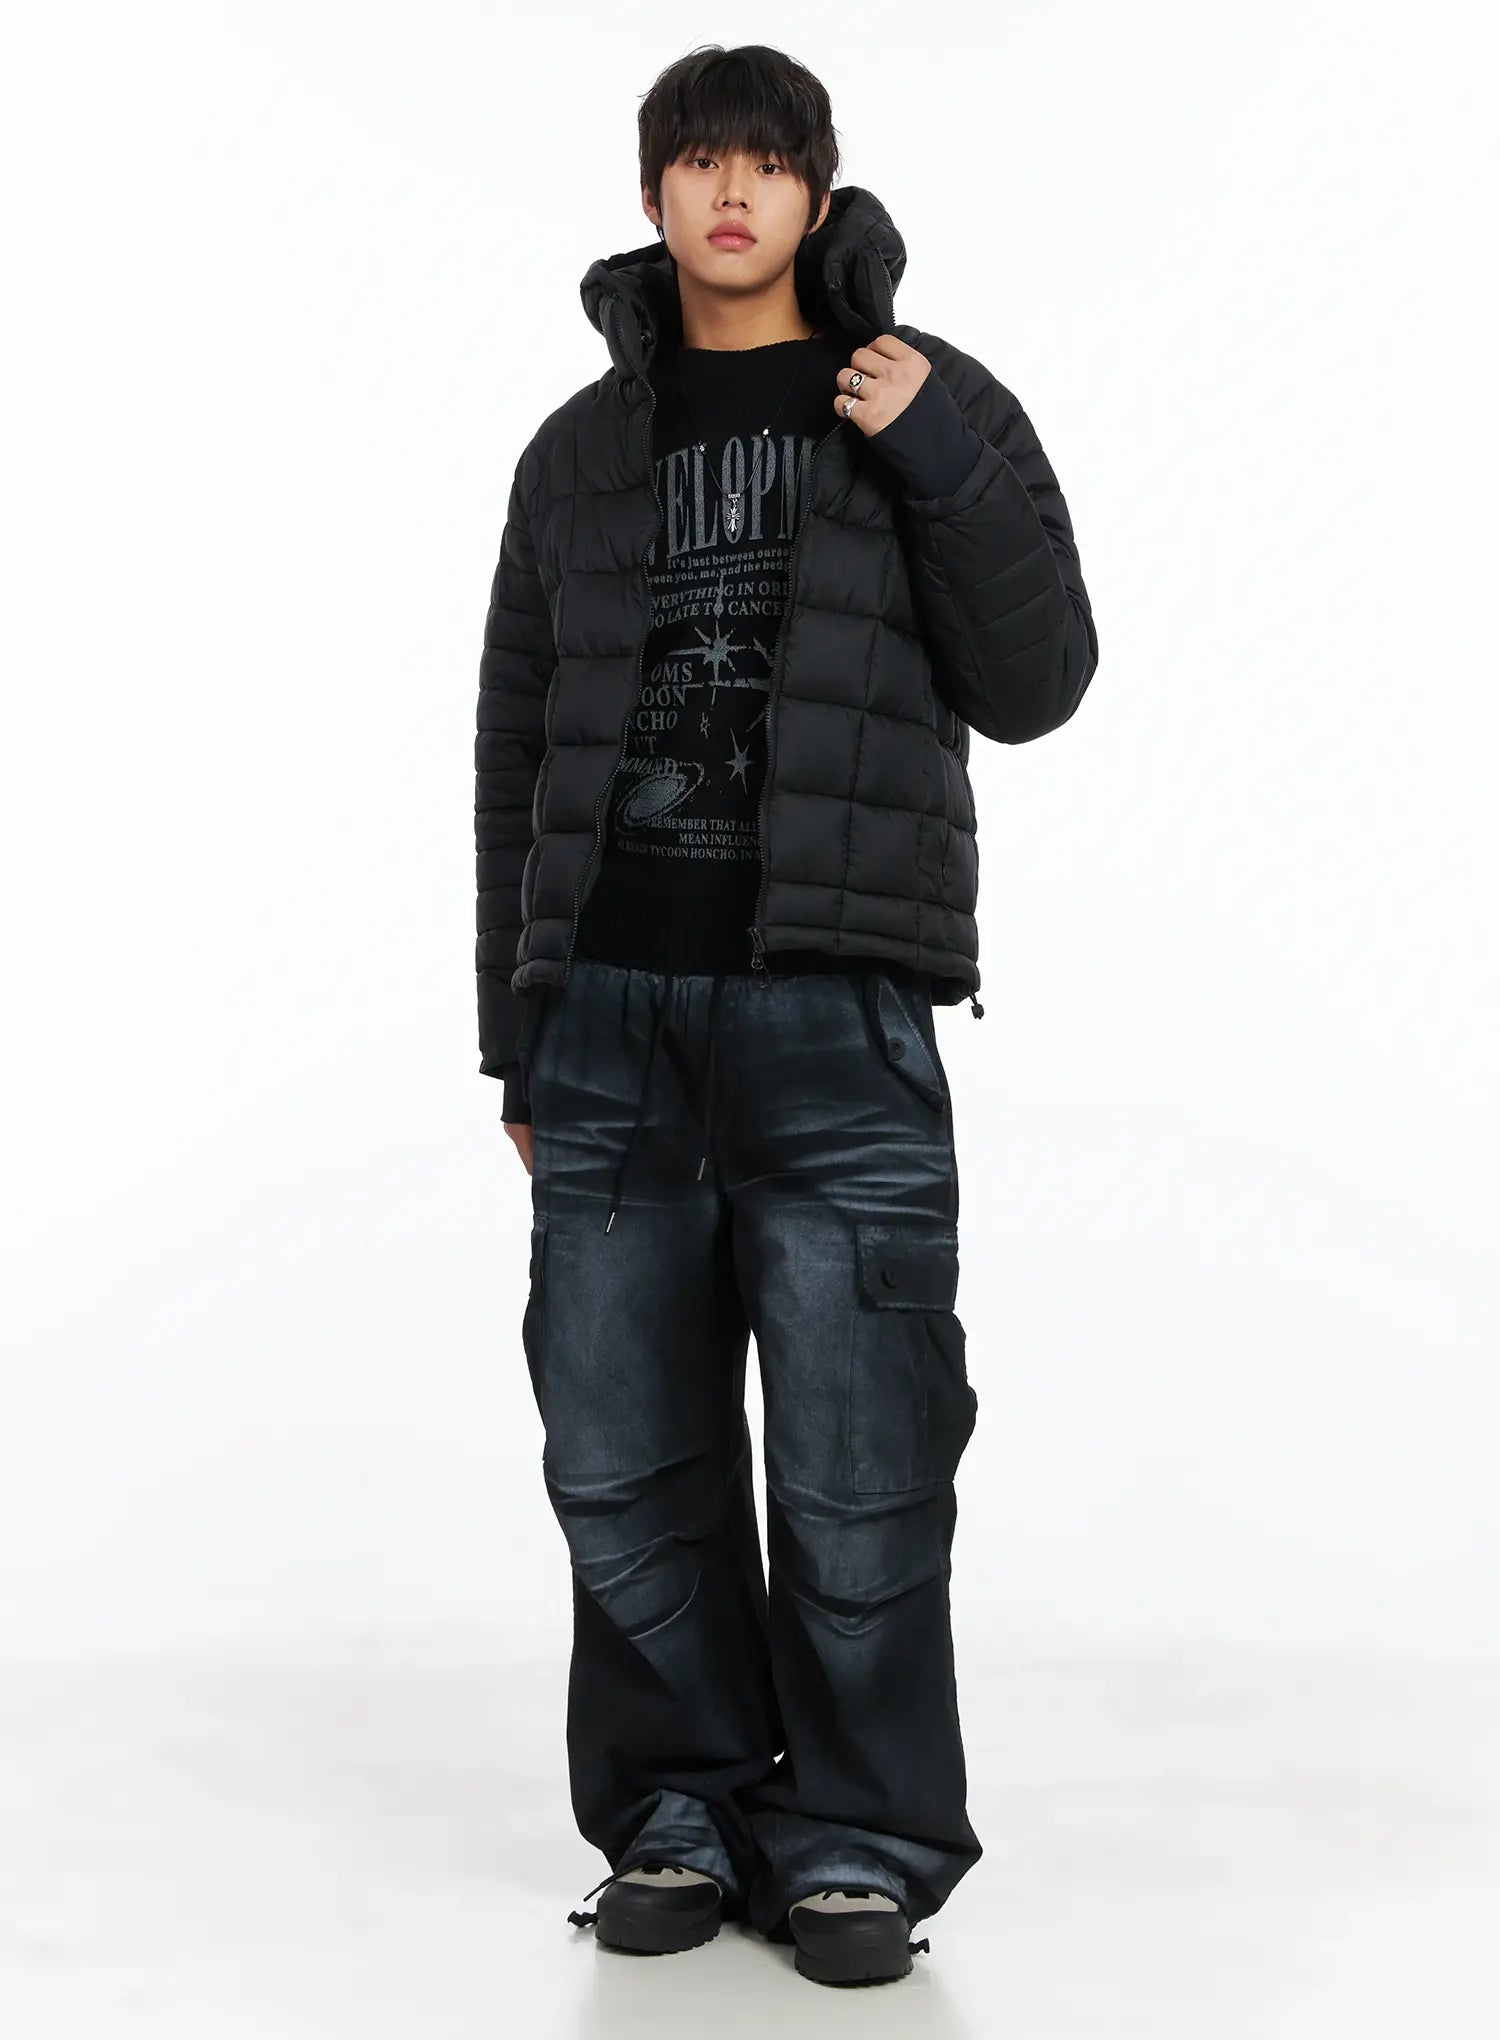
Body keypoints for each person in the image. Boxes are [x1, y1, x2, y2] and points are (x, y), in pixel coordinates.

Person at [474, 42, 1097, 1987]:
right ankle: (674, 1811)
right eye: (698, 161)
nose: (731, 193)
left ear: (817, 193)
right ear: (653, 194)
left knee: (859, 1463)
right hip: (610, 1025)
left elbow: (1042, 681)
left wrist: (939, 453)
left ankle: (857, 1842)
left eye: (766, 162)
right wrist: (516, 1030)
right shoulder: (579, 454)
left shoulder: (924, 398)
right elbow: (512, 750)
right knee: (621, 1457)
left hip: (836, 1017)